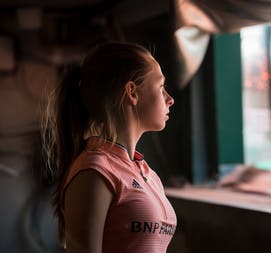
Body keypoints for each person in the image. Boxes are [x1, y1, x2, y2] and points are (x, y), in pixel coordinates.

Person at [42, 42, 176, 253]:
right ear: (132, 92)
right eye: (161, 87)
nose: (170, 99)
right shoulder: (94, 170)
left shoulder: (147, 173)